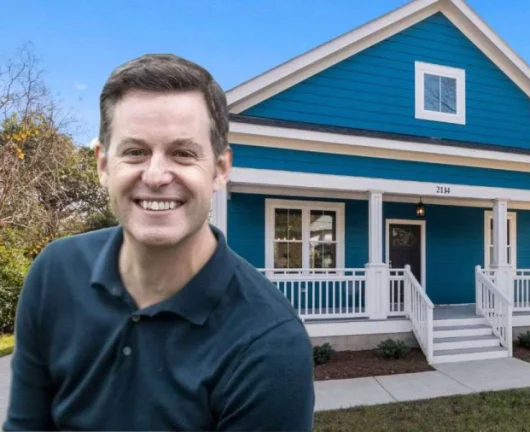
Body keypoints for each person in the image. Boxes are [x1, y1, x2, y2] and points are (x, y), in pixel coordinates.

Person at [4, 54, 315, 431]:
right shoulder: (55, 273)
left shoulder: (269, 343)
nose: (155, 176)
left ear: (220, 169)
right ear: (103, 164)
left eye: (182, 154)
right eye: (135, 152)